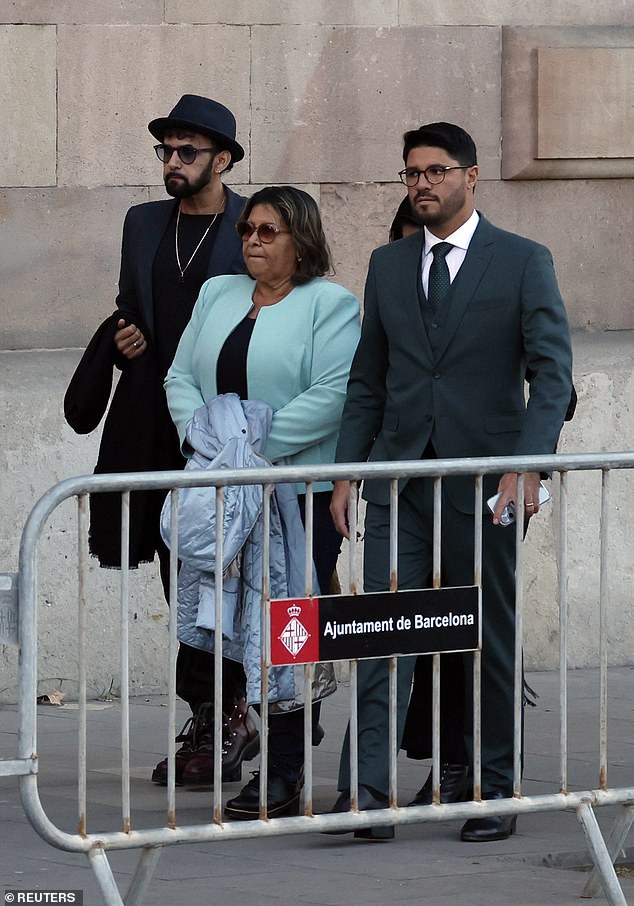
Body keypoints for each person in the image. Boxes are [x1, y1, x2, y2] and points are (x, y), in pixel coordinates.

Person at [329, 122, 573, 842]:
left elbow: (552, 376)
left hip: (484, 485)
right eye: (412, 173)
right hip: (400, 481)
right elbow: (367, 382)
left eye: (436, 171)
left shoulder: (524, 261)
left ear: (471, 177)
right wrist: (347, 475)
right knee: (381, 635)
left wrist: (524, 465)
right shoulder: (387, 264)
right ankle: (371, 799)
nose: (423, 184)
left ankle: (495, 790)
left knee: (488, 637)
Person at [64, 94, 253, 788]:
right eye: (165, 151)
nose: (172, 163)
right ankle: (214, 710)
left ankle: (233, 712)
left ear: (223, 159)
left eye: (187, 152)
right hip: (151, 421)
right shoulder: (143, 223)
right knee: (183, 572)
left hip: (226, 427)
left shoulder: (253, 224)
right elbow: (131, 300)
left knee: (225, 572)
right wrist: (126, 334)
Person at [164, 185, 361, 819]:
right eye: (247, 229)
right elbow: (179, 377)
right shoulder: (216, 294)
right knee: (231, 627)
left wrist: (246, 449)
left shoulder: (330, 305)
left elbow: (332, 394)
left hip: (293, 494)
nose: (251, 240)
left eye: (268, 231)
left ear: (300, 240)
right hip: (221, 488)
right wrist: (217, 448)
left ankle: (283, 775)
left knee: (286, 632)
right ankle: (262, 740)